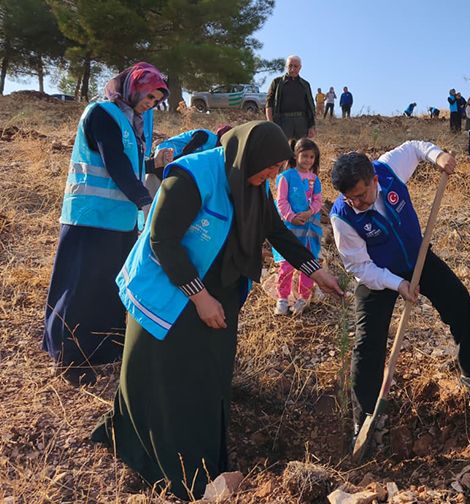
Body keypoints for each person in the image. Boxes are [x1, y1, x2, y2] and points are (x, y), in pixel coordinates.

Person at [91, 121, 344, 501]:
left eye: (279, 168)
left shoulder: (252, 184)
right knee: (166, 376)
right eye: (272, 167)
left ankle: (204, 458)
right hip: (170, 290)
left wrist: (316, 270)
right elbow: (162, 241)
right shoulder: (192, 177)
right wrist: (199, 297)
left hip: (218, 291)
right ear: (250, 155)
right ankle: (162, 463)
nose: (274, 175)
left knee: (208, 376)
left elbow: (276, 232)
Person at [329, 142, 470, 441]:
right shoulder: (343, 216)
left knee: (458, 300)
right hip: (377, 275)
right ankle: (366, 415)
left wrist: (439, 156)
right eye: (350, 198)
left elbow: (415, 147)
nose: (357, 202)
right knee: (368, 342)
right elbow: (358, 267)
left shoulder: (388, 168)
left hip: (417, 256)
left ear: (374, 180)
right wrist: (397, 284)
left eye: (361, 194)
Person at [43, 62, 171, 385]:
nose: (151, 103)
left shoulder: (135, 121)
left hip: (119, 222)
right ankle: (69, 359)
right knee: (80, 290)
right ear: (134, 86)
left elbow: (130, 163)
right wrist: (145, 200)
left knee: (107, 289)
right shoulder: (101, 114)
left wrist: (154, 163)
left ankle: (101, 351)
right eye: (149, 95)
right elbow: (113, 161)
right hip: (89, 219)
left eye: (156, 100)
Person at [273, 138, 323, 315]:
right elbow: (281, 201)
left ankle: (303, 298)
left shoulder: (314, 179)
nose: (308, 160)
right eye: (305, 156)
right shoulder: (285, 177)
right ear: (295, 155)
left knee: (308, 263)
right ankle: (282, 299)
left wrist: (310, 212)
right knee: (286, 265)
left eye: (312, 157)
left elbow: (318, 200)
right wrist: (291, 217)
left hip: (309, 230)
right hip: (291, 228)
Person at [146, 126, 232, 197]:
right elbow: (187, 150)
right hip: (168, 151)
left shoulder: (214, 151)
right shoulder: (208, 136)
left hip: (169, 157)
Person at [265, 55, 316, 144]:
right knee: (280, 149)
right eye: (290, 66)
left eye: (295, 66)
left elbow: (310, 106)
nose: (292, 69)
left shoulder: (305, 84)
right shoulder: (277, 82)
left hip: (301, 122)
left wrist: (311, 126)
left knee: (301, 150)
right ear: (286, 67)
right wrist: (271, 123)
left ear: (300, 67)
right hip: (282, 121)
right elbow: (269, 103)